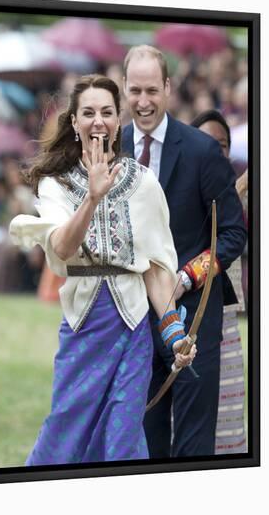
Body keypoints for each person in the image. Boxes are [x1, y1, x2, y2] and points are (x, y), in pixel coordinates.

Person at [10, 74, 195, 465]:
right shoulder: (55, 184)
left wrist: (176, 335)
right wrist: (92, 198)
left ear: (119, 119)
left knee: (123, 438)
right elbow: (61, 247)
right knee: (66, 429)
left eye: (107, 112)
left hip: (133, 329)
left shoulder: (144, 182)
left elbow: (155, 271)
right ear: (74, 122)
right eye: (89, 113)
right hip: (83, 326)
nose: (98, 121)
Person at [121, 45, 247, 458]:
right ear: (124, 89)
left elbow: (231, 234)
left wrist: (187, 277)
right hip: (130, 320)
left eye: (152, 90)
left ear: (169, 88)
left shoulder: (202, 151)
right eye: (135, 90)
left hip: (192, 315)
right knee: (143, 441)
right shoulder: (111, 149)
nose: (143, 101)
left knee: (193, 447)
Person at [191, 109, 247, 454]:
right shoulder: (181, 192)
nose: (216, 152)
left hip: (226, 327)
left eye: (222, 145)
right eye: (208, 144)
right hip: (185, 321)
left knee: (227, 427)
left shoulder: (234, 199)